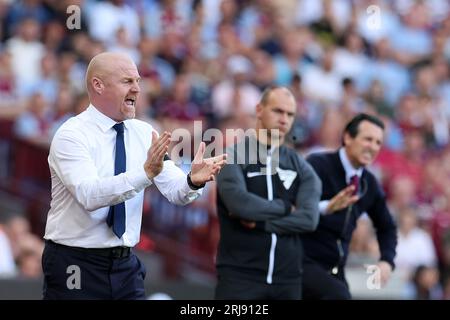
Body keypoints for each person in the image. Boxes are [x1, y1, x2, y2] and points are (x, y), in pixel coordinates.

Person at [41, 52, 226, 300]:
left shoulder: (144, 131)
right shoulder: (71, 135)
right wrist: (144, 173)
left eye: (138, 81)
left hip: (125, 265)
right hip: (75, 264)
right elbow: (89, 195)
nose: (137, 89)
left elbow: (175, 190)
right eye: (127, 81)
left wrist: (193, 180)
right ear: (98, 85)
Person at [215, 86, 322, 300]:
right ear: (259, 109)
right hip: (239, 276)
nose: (284, 119)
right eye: (277, 111)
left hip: (288, 280)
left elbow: (309, 219)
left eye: (290, 114)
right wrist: (284, 208)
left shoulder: (303, 168)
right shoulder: (232, 156)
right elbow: (240, 205)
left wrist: (262, 223)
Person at [302, 113, 397, 299]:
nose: (373, 147)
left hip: (335, 270)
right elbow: (294, 207)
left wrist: (386, 260)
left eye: (378, 142)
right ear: (347, 137)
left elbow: (387, 226)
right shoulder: (318, 165)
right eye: (368, 139)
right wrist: (327, 207)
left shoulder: (369, 183)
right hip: (302, 262)